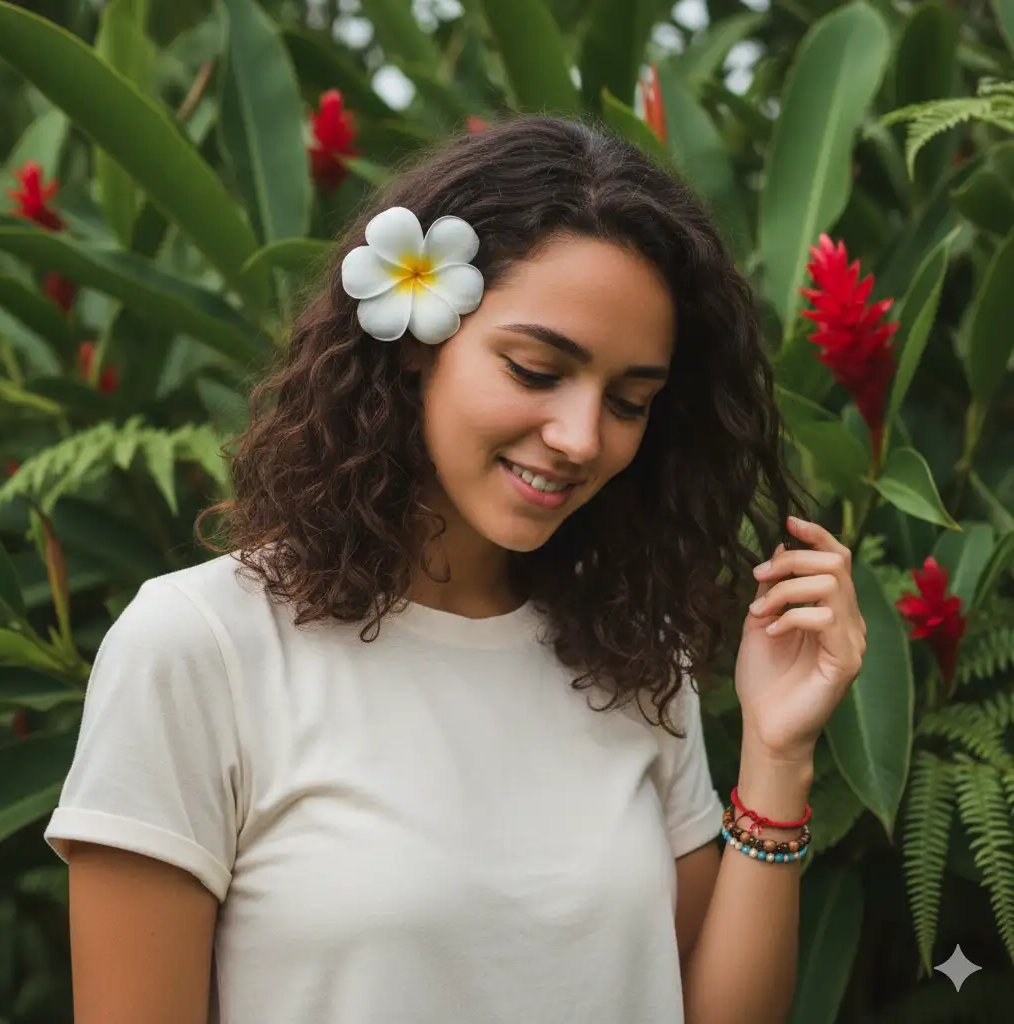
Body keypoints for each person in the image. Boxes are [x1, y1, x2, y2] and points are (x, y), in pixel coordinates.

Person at [44, 116, 866, 1024]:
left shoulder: (630, 654)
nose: (581, 438)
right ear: (414, 344)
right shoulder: (201, 648)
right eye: (535, 369)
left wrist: (778, 754)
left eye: (631, 402)